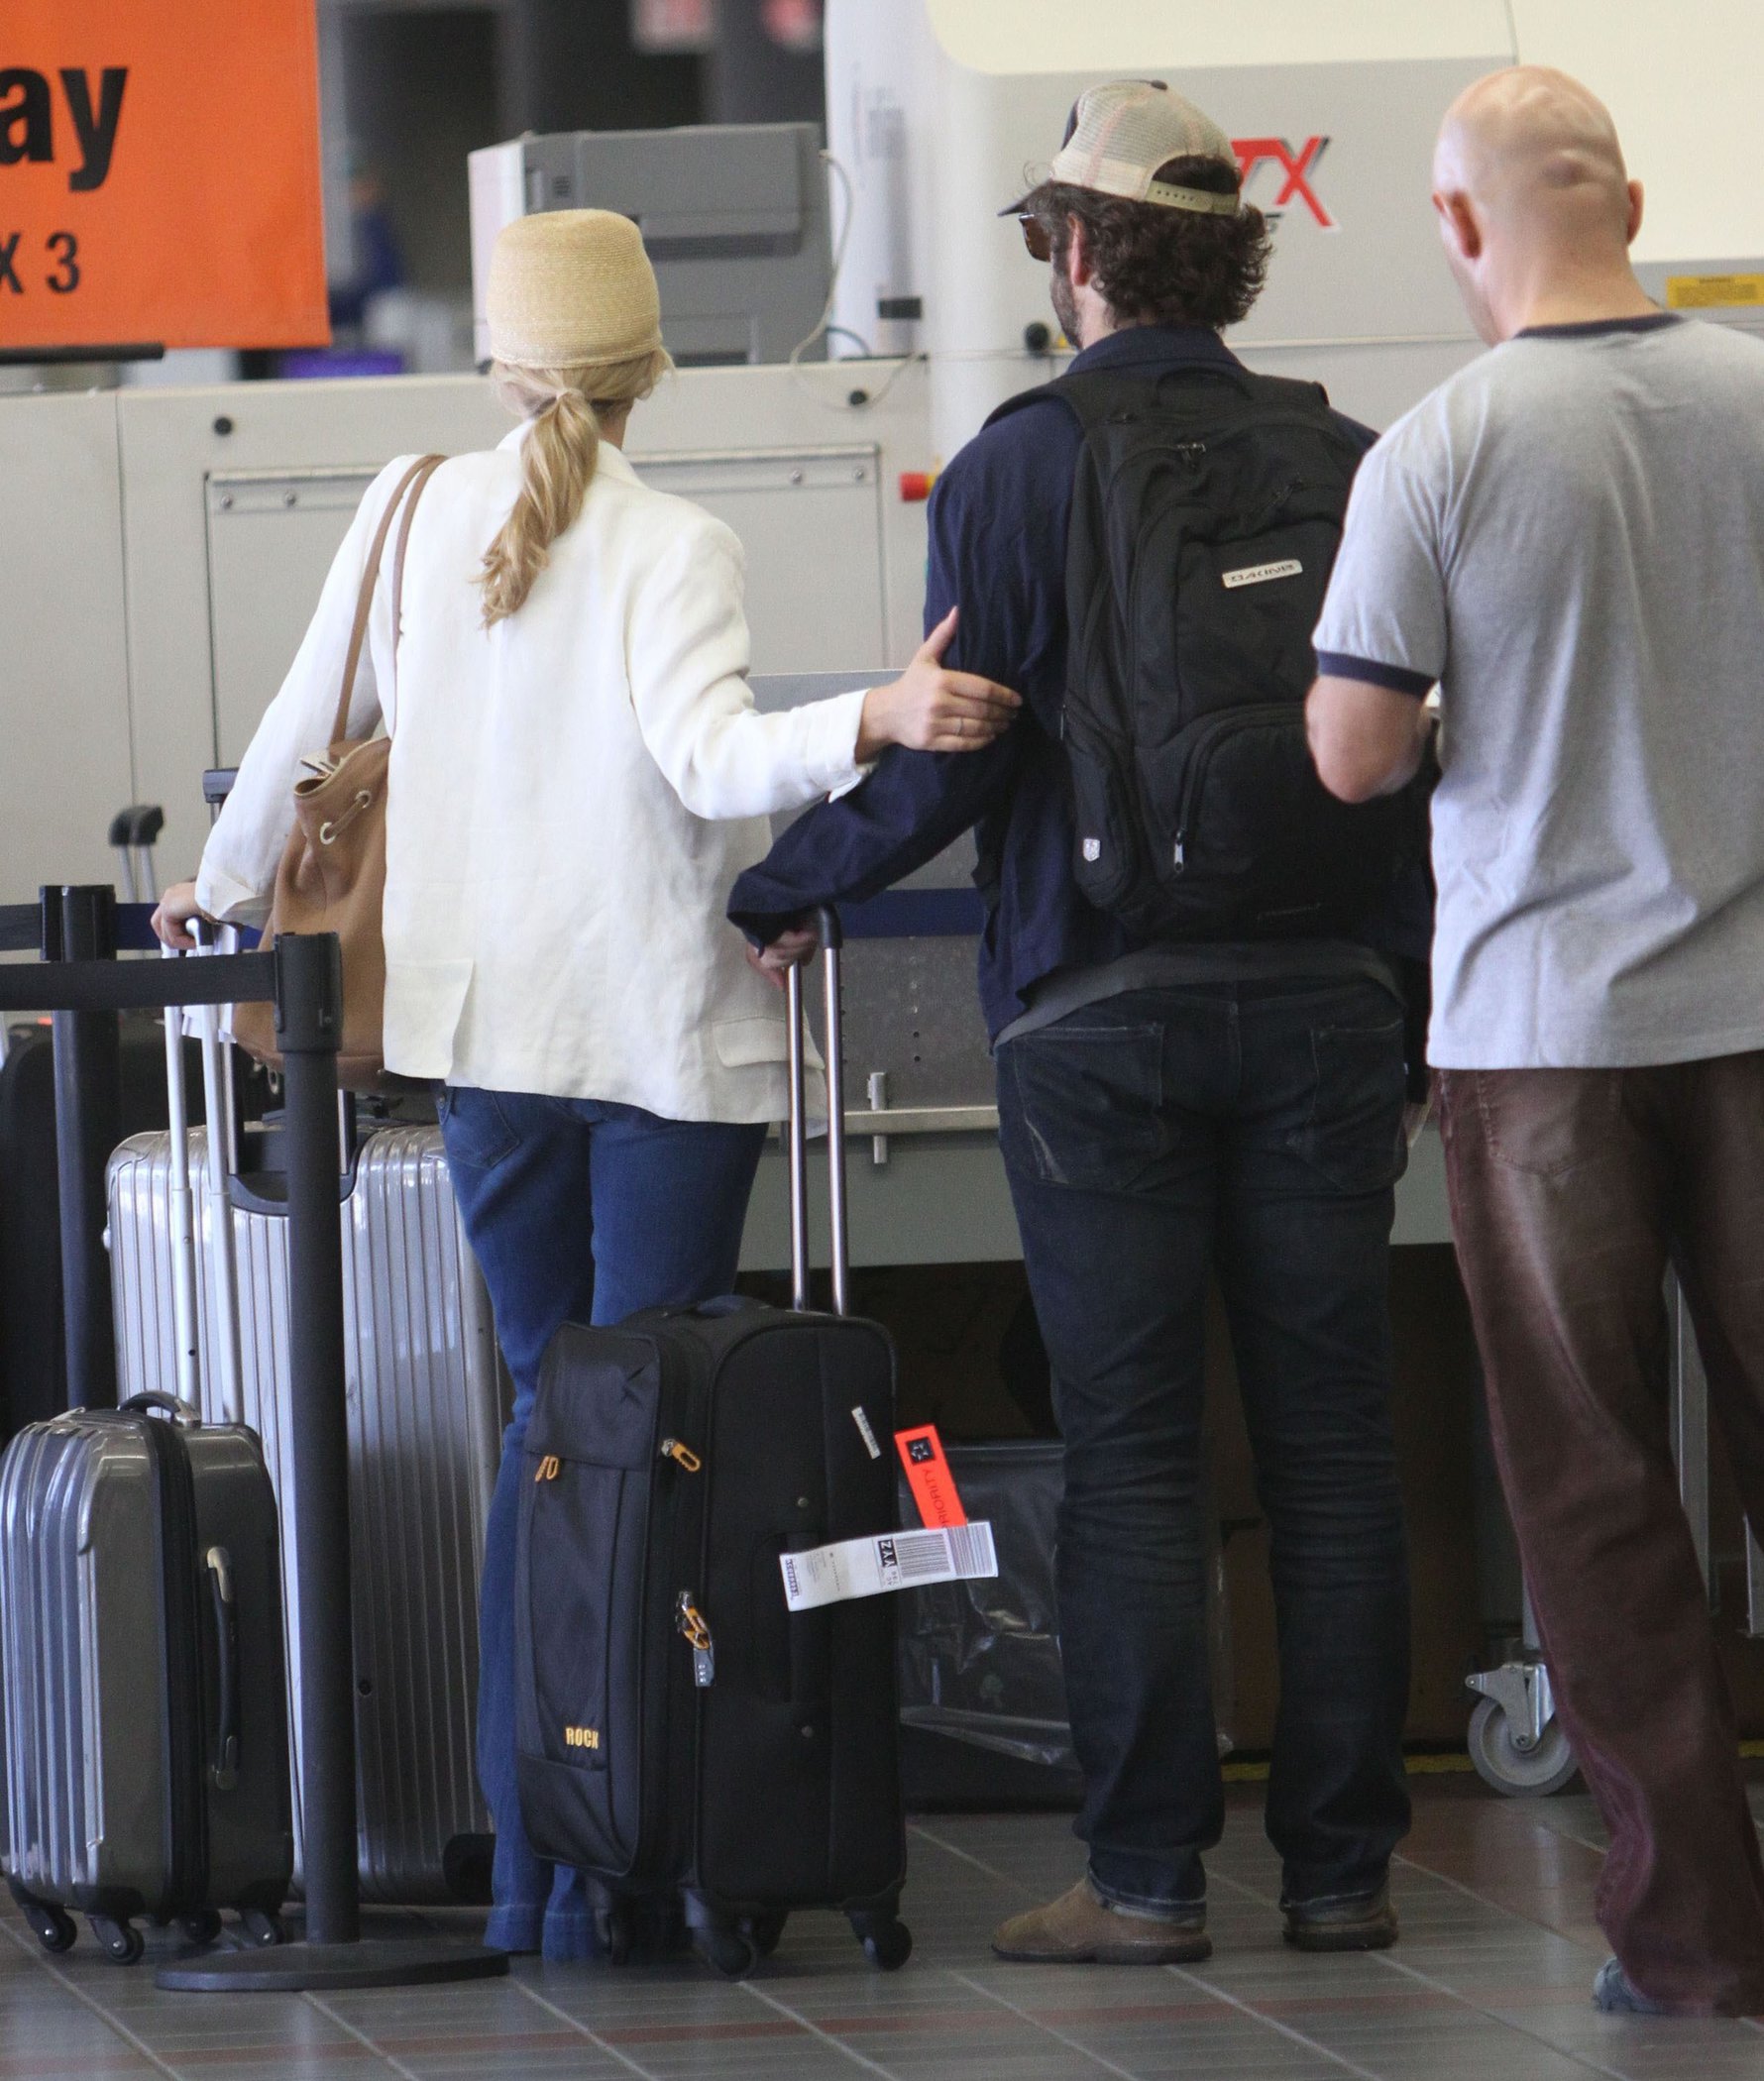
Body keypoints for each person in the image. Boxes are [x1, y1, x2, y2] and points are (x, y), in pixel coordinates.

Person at [153, 208, 1017, 1962]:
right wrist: (880, 715)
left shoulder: (409, 513)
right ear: (647, 370)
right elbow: (709, 764)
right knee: (670, 1454)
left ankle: (549, 1858)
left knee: (552, 1437)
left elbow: (295, 733)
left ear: (501, 361)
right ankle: (670, 1838)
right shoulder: (671, 542)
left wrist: (218, 895)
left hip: (488, 1057)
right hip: (660, 1057)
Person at [731, 81, 1428, 1964]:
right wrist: (1407, 1003)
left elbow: (955, 753)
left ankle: (1143, 1885)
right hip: (1329, 1002)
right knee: (1335, 1450)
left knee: (1135, 1455)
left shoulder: (1018, 467)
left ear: (1077, 250)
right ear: (1235, 250)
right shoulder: (1357, 459)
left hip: (1097, 1009)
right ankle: (1347, 1878)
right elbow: (1412, 765)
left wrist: (788, 884)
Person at [1307, 66, 1764, 2018]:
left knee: (1588, 1488)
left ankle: (1689, 1945)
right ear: (1634, 194)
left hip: (1539, 1039)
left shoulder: (1440, 445)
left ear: (1455, 225)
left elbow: (1349, 752)